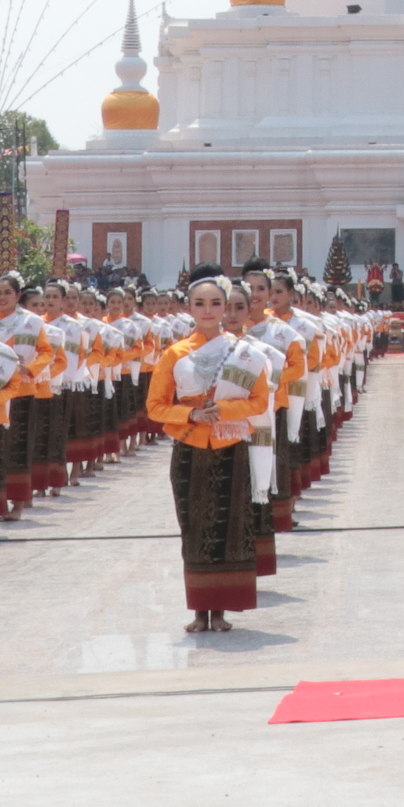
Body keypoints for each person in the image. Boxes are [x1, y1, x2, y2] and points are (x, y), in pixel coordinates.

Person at [147, 271, 274, 632]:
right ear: (188, 307)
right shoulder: (174, 354)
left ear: (226, 308)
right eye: (199, 303)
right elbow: (155, 406)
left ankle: (221, 610)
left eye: (216, 303)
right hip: (189, 447)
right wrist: (190, 413)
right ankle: (199, 610)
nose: (208, 310)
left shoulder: (245, 353)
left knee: (229, 523)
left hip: (230, 445)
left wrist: (224, 411)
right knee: (193, 526)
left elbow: (259, 400)